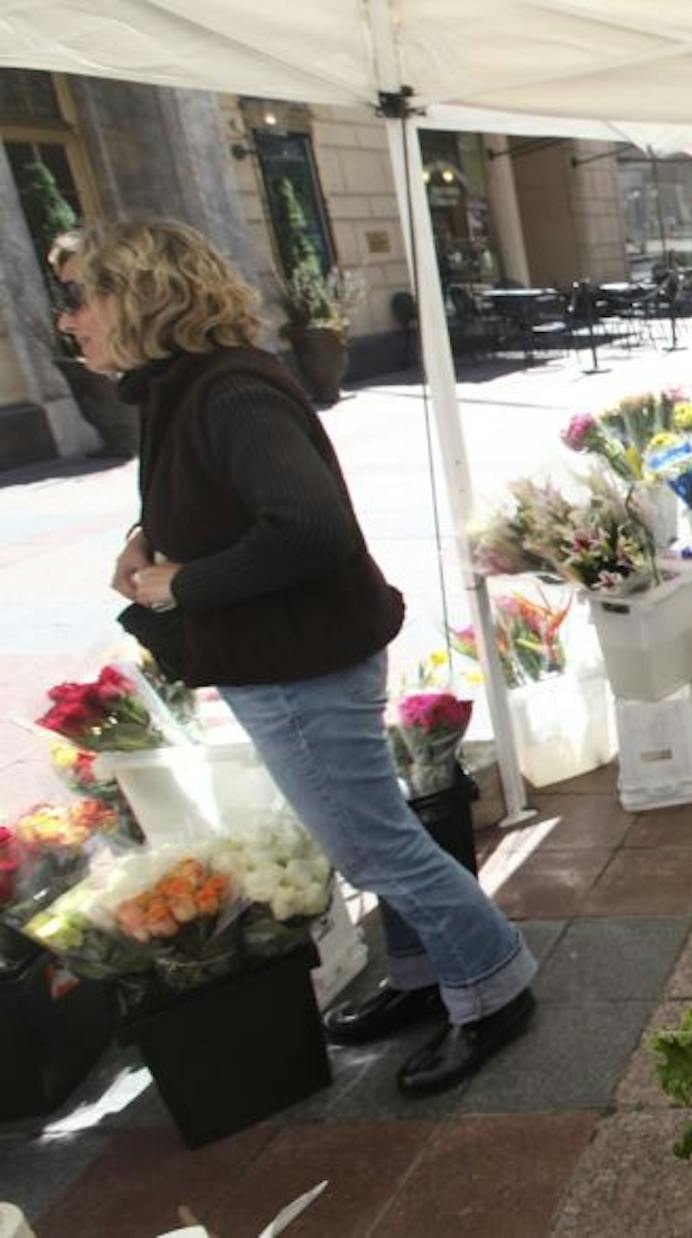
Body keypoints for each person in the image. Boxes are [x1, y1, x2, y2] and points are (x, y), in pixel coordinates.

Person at [56, 220, 538, 1095]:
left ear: (141, 295)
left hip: (300, 661)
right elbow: (223, 494)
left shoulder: (226, 390)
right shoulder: (184, 385)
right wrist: (147, 535)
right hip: (286, 656)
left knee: (375, 849)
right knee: (374, 839)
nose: (70, 319)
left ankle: (494, 982)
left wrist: (179, 583)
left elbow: (308, 528)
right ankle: (428, 975)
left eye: (82, 296)